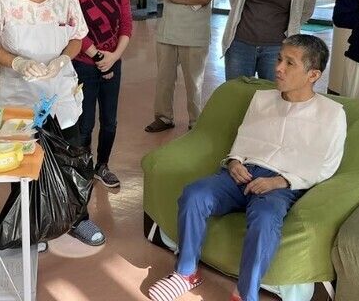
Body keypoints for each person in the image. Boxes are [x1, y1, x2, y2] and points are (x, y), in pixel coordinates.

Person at [148, 34, 346, 301]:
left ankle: (245, 294)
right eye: (279, 59)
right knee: (194, 194)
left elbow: (327, 165)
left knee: (265, 218)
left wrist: (281, 182)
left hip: (282, 184)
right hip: (242, 172)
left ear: (313, 75)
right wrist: (234, 161)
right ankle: (186, 273)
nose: (278, 68)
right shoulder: (262, 99)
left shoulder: (331, 113)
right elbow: (244, 138)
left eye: (290, 63)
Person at [0, 0, 106, 246]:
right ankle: (32, 224)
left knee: (72, 158)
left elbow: (77, 37)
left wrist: (62, 59)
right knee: (24, 165)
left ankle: (78, 219)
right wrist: (17, 62)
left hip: (61, 93)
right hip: (20, 96)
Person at [145, 0, 222, 133]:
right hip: (168, 31)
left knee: (194, 82)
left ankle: (195, 121)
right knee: (164, 79)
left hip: (195, 34)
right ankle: (163, 117)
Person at [71, 0, 132, 188]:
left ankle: (102, 166)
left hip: (113, 63)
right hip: (83, 65)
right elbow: (75, 30)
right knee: (85, 121)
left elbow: (126, 26)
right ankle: (84, 166)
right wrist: (97, 56)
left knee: (109, 120)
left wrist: (114, 57)